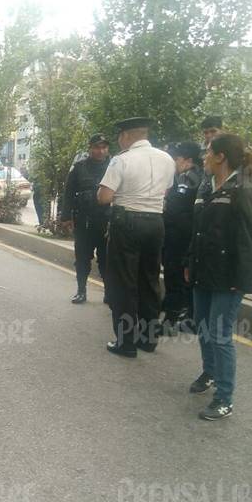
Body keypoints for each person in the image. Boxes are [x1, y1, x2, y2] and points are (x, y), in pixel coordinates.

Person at [187, 134, 252, 420]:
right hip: (204, 271)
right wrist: (189, 263)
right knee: (202, 326)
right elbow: (198, 231)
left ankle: (224, 398)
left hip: (228, 276)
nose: (204, 157)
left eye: (208, 152)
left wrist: (244, 279)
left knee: (220, 336)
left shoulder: (244, 189)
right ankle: (209, 372)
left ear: (221, 156)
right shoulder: (207, 186)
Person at [97, 117, 175, 357]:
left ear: (127, 136)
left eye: (120, 135)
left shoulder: (121, 160)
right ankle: (148, 338)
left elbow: (104, 197)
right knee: (150, 280)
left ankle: (126, 342)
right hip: (155, 222)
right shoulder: (167, 159)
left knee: (124, 283)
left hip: (128, 221)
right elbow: (167, 191)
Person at [60, 134, 111, 304]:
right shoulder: (79, 168)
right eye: (97, 147)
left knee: (107, 260)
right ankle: (81, 291)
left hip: (107, 222)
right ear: (90, 148)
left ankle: (108, 293)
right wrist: (66, 216)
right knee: (82, 258)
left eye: (104, 147)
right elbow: (68, 193)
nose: (100, 151)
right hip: (84, 221)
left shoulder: (114, 166)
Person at [161, 141, 204, 331]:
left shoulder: (189, 179)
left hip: (179, 237)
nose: (173, 162)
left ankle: (170, 319)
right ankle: (182, 312)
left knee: (175, 277)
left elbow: (175, 209)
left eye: (176, 159)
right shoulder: (190, 176)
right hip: (183, 236)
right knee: (181, 278)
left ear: (187, 161)